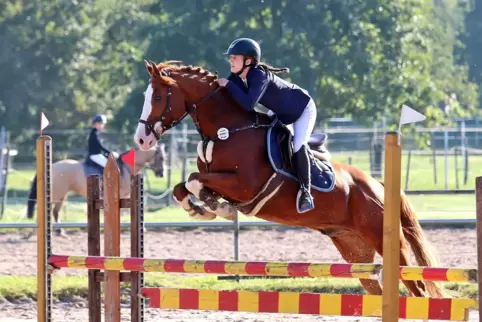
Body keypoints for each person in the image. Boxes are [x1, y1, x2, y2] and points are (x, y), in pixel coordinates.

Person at [216, 37, 317, 214]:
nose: (231, 60)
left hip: (302, 109)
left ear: (248, 61)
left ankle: (306, 193)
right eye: (230, 57)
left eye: (235, 57)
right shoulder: (238, 77)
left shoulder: (259, 75)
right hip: (280, 112)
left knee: (298, 145)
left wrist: (229, 86)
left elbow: (248, 104)